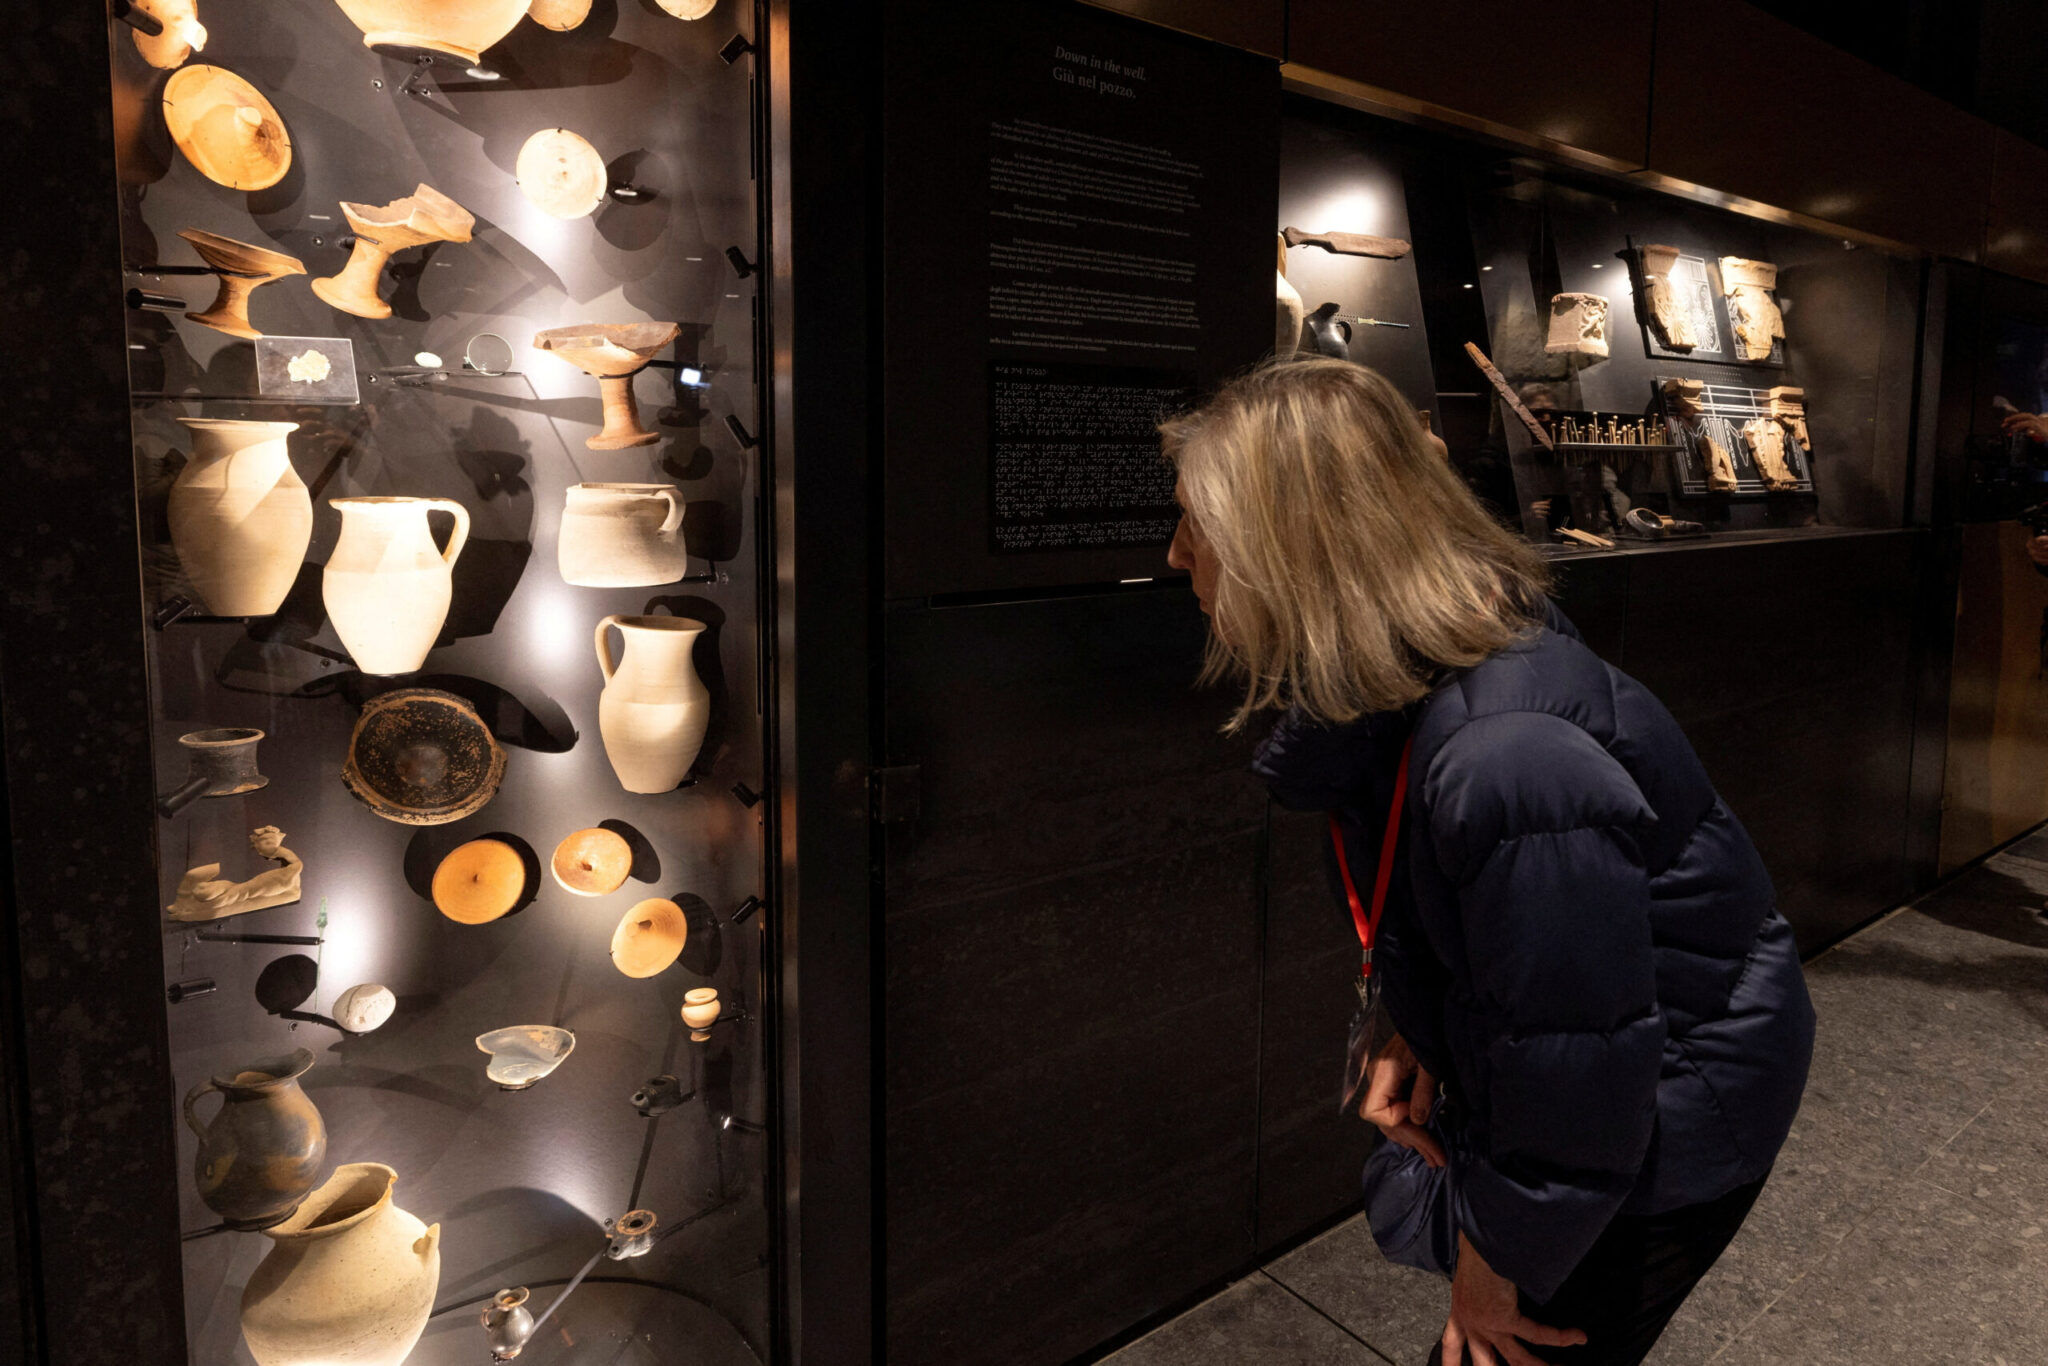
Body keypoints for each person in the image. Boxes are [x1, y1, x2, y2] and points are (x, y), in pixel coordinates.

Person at [1161, 358, 1815, 1366]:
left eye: (1196, 527)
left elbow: (1580, 1065)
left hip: (1667, 1117)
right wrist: (1416, 1025)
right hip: (1613, 1098)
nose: (1175, 556)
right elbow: (1503, 949)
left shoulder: (1503, 754)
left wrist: (1495, 1257)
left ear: (1289, 549)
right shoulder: (1428, 665)